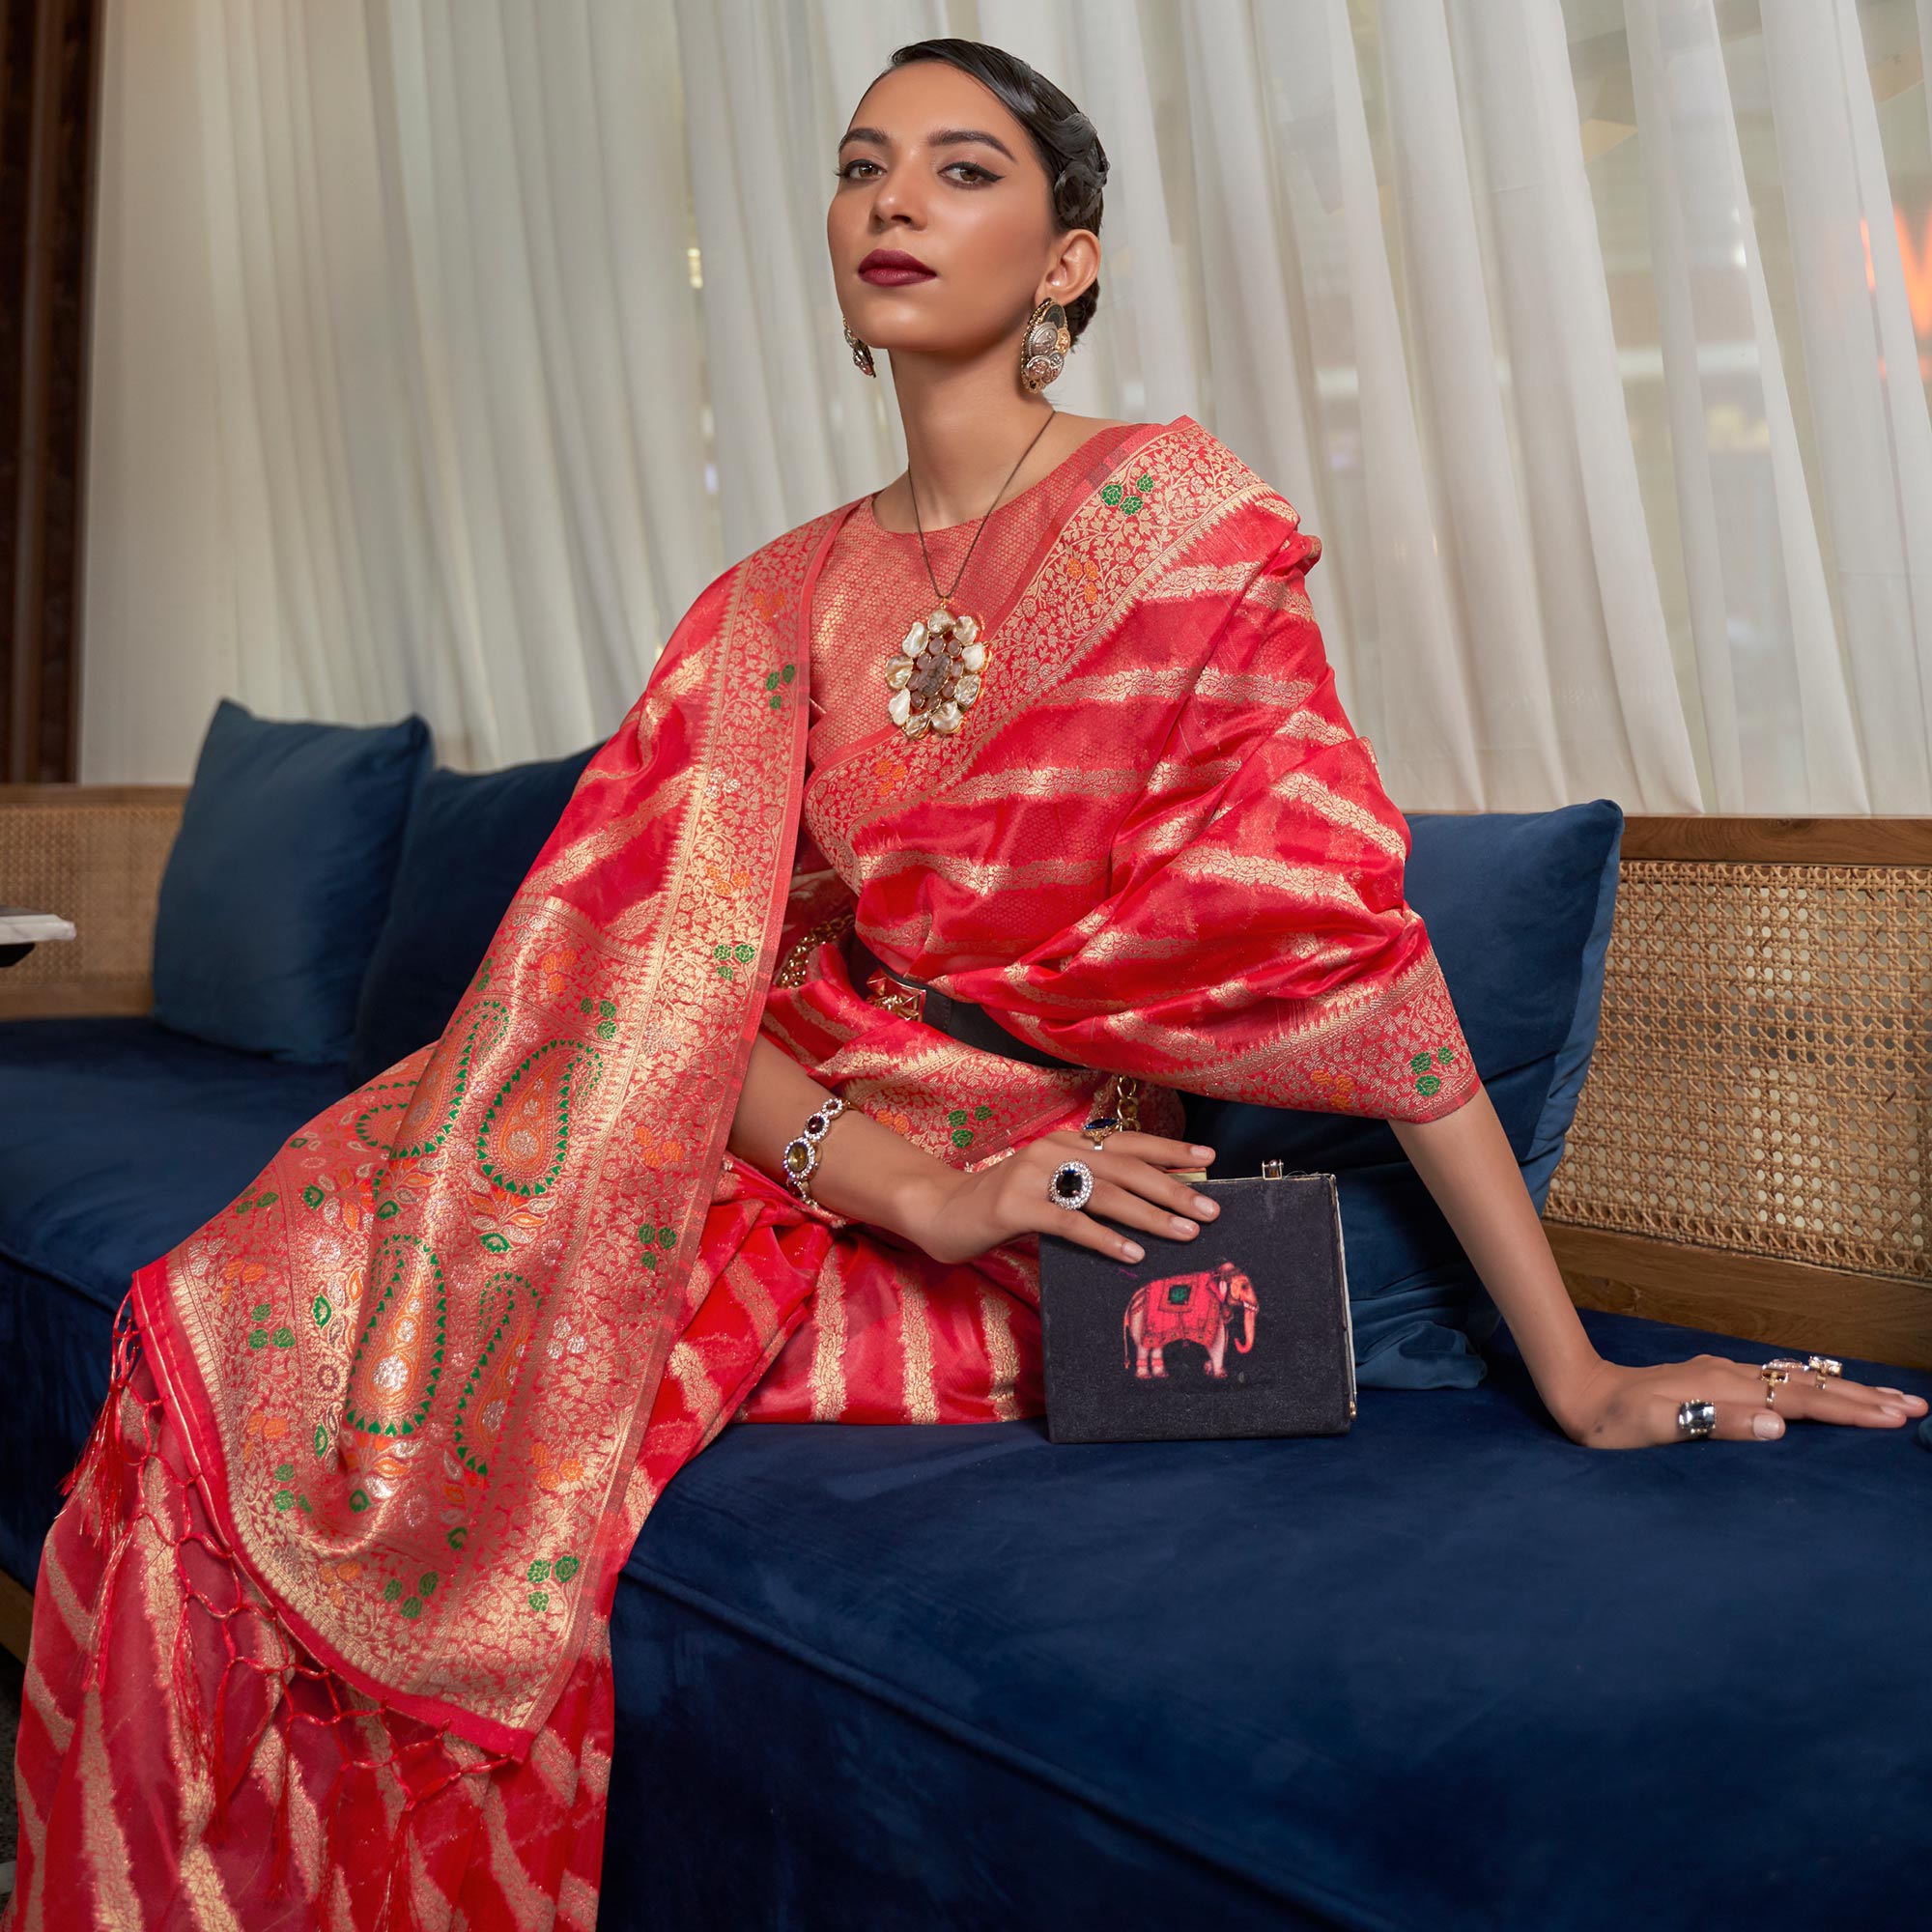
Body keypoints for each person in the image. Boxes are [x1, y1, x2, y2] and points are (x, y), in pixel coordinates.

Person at [7, 34, 1923, 1932]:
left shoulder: (1175, 531)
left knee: (440, 1431)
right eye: (860, 166)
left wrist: (1573, 1370)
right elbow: (673, 997)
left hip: (1052, 1212)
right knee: (241, 1318)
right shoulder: (773, 603)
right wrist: (888, 1172)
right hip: (818, 1153)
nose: (892, 200)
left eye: (960, 166)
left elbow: (1350, 965)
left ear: (1067, 259)